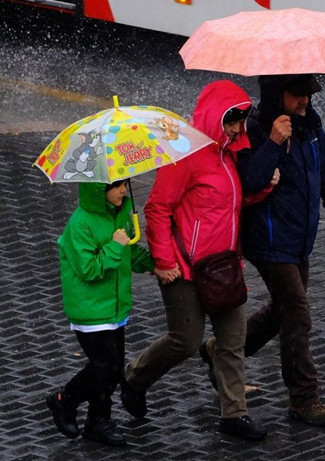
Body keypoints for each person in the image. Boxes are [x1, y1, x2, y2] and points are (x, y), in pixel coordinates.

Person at [200, 74, 325, 427]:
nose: (304, 101)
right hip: (268, 240)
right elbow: (248, 181)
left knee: (282, 311)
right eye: (296, 94)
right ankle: (303, 399)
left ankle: (220, 351)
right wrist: (273, 142)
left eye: (307, 94)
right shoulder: (256, 129)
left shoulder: (311, 125)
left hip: (298, 238)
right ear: (276, 94)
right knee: (297, 315)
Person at [120, 80, 268, 441]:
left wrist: (264, 188)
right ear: (215, 117)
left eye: (240, 122)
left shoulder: (230, 155)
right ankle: (134, 377)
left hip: (224, 268)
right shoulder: (184, 155)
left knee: (232, 341)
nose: (238, 130)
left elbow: (228, 203)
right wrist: (164, 261)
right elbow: (157, 209)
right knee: (185, 341)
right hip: (184, 269)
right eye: (232, 122)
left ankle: (234, 414)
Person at [45, 180, 155, 447]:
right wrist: (116, 245)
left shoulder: (121, 213)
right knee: (105, 366)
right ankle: (64, 400)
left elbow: (128, 253)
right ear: (98, 190)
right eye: (115, 186)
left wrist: (155, 263)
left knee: (111, 369)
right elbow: (89, 268)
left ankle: (98, 421)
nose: (123, 190)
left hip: (114, 308)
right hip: (91, 311)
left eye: (123, 184)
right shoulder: (80, 224)